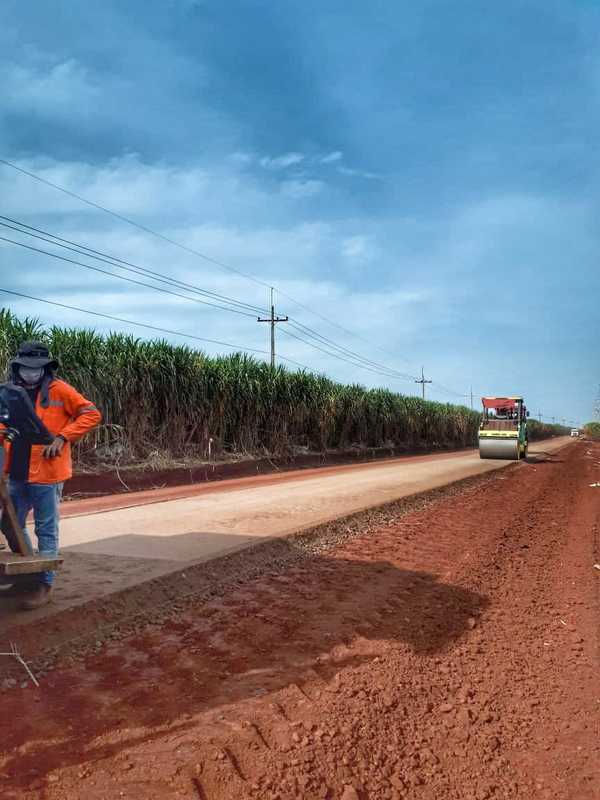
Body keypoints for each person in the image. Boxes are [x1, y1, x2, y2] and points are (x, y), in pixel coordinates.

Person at [1, 341, 101, 609]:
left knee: (46, 529)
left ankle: (44, 585)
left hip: (47, 471)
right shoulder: (10, 391)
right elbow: (3, 419)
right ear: (17, 367)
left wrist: (62, 436)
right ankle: (27, 577)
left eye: (37, 369)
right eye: (26, 368)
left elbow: (91, 414)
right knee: (11, 524)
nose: (31, 373)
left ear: (45, 368)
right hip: (16, 470)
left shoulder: (60, 390)